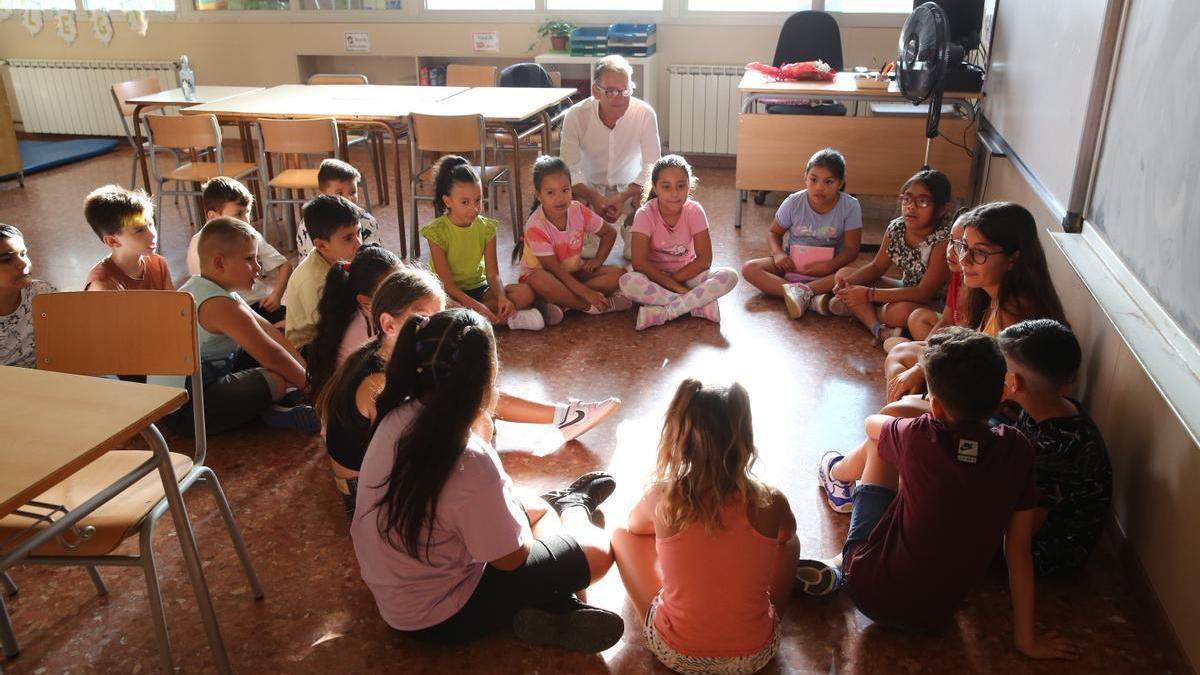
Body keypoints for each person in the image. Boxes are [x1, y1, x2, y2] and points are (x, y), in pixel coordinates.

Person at [350, 309, 625, 651]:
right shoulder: (470, 459)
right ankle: (574, 507)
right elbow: (509, 559)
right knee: (597, 551)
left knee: (536, 508)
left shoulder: (395, 413)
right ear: (487, 379)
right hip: (444, 616)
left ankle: (556, 605)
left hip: (396, 599)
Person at [799, 328, 1078, 660]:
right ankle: (838, 543)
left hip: (868, 591)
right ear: (1002, 393)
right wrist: (1026, 640)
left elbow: (874, 424)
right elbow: (1018, 552)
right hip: (939, 612)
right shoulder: (1018, 450)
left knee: (881, 444)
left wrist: (916, 418)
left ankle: (835, 478)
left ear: (936, 405)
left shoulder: (920, 435)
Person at [316, 270, 622, 519]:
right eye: (424, 319)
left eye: (439, 316)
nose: (437, 326)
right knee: (477, 424)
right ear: (388, 324)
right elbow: (411, 460)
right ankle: (556, 506)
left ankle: (561, 422)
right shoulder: (379, 381)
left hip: (380, 486)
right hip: (370, 502)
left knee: (470, 395)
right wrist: (478, 441)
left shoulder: (385, 356)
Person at [611, 379, 799, 674]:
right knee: (790, 543)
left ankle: (659, 612)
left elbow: (635, 527)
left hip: (676, 653)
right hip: (755, 655)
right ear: (745, 439)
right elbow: (787, 535)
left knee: (621, 536)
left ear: (678, 439)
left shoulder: (664, 498)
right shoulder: (770, 501)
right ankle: (768, 615)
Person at [883, 202, 1067, 410]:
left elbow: (997, 393)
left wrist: (926, 378)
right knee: (901, 353)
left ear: (1013, 258)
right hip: (973, 385)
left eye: (980, 252)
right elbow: (966, 342)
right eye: (963, 246)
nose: (964, 259)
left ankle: (904, 430)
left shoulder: (1015, 309)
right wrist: (921, 367)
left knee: (897, 409)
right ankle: (903, 431)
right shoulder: (987, 292)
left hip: (990, 411)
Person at [155, 217, 317, 434]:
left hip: (207, 378)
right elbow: (272, 356)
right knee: (276, 380)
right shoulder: (219, 305)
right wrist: (317, 394)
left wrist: (306, 374)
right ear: (219, 262)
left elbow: (266, 329)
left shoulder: (209, 286)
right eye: (249, 259)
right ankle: (275, 407)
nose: (258, 268)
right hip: (184, 412)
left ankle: (274, 404)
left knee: (279, 340)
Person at [998, 319, 1112, 576]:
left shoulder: (1059, 452)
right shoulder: (1046, 407)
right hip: (1023, 508)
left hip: (1048, 551)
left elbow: (1023, 535)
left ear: (1014, 383)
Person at [421, 155, 543, 331]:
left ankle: (478, 320)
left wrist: (501, 297)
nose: (474, 208)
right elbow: (447, 285)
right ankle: (506, 320)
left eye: (478, 200)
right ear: (448, 201)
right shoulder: (436, 232)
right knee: (440, 306)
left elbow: (493, 274)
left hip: (480, 289)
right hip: (451, 293)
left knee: (525, 293)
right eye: (465, 202)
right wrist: (478, 307)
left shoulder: (486, 228)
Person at [830, 170, 954, 342]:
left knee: (898, 312)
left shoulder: (942, 241)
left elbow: (923, 293)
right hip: (905, 286)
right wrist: (848, 284)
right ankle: (878, 329)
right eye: (907, 199)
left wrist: (869, 295)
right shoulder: (897, 228)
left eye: (923, 201)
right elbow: (877, 267)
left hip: (932, 303)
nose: (911, 206)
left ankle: (860, 309)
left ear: (942, 209)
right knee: (844, 274)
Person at [618, 155, 739, 330]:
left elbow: (704, 260)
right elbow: (640, 263)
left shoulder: (694, 211)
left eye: (681, 186)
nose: (674, 194)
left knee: (729, 275)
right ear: (656, 188)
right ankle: (696, 306)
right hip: (654, 277)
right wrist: (673, 286)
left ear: (689, 186)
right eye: (666, 187)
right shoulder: (644, 214)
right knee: (627, 282)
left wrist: (674, 282)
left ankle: (664, 312)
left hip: (688, 275)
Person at [559, 55, 662, 260]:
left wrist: (622, 196)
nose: (620, 97)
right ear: (595, 91)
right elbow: (569, 166)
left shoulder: (644, 114)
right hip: (589, 190)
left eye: (626, 90)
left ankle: (633, 229)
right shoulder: (576, 115)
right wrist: (595, 198)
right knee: (566, 193)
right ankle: (590, 232)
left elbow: (652, 165)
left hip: (630, 189)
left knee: (658, 190)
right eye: (611, 91)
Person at [740, 148, 863, 318]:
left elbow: (851, 249)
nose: (819, 187)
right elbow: (773, 232)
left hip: (827, 271)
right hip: (791, 264)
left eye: (829, 182)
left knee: (852, 274)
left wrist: (830, 265)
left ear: (840, 183)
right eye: (813, 180)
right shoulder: (793, 202)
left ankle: (799, 293)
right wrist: (779, 255)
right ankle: (810, 298)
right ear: (805, 178)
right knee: (749, 269)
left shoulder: (850, 206)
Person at [519, 155, 630, 318]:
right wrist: (587, 294)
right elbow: (555, 271)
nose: (559, 198)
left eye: (565, 190)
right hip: (547, 278)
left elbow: (609, 233)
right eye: (550, 192)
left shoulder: (577, 210)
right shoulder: (535, 226)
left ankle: (563, 304)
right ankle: (587, 306)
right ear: (539, 195)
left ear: (571, 188)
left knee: (617, 274)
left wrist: (598, 260)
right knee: (539, 279)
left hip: (571, 272)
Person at [186, 177, 293, 324]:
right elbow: (210, 295)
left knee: (299, 326)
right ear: (213, 216)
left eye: (247, 212)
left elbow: (285, 265)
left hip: (258, 305)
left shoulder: (248, 234)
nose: (246, 221)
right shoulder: (199, 245)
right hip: (228, 314)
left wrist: (276, 295)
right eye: (238, 214)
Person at [306, 243, 402, 401]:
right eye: (392, 292)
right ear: (365, 302)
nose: (405, 294)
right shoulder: (365, 335)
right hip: (352, 411)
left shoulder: (378, 315)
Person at [283, 194, 364, 352]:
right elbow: (330, 330)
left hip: (339, 326)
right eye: (348, 238)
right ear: (321, 245)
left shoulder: (340, 257)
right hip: (310, 349)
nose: (359, 243)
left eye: (359, 232)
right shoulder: (313, 281)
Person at [82, 185, 174, 291]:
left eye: (150, 224)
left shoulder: (158, 264)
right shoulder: (102, 285)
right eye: (139, 230)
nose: (152, 234)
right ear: (112, 241)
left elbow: (174, 305)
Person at [900, 214, 968, 344]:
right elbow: (946, 320)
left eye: (961, 245)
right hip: (954, 332)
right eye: (951, 241)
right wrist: (926, 349)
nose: (950, 251)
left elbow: (968, 335)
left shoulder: (976, 284)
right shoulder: (957, 273)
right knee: (916, 319)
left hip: (964, 343)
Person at [294, 158, 384, 257]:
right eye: (339, 193)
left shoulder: (367, 221)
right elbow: (310, 262)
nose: (347, 198)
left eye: (352, 192)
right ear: (323, 193)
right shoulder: (309, 224)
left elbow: (374, 260)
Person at [0, 224, 56, 368]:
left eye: (23, 254)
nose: (22, 263)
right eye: (6, 259)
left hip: (53, 372)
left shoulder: (42, 293)